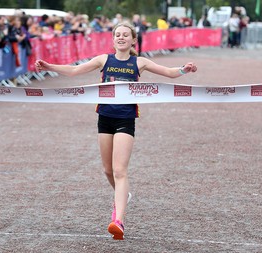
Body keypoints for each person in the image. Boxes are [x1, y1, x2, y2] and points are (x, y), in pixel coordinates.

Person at [34, 22, 197, 240]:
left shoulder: (139, 62)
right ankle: (123, 194)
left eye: (125, 35)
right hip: (105, 118)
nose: (121, 38)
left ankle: (118, 220)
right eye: (117, 35)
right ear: (113, 40)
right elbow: (74, 70)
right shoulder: (104, 60)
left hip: (126, 120)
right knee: (108, 170)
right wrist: (50, 67)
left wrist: (183, 70)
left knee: (120, 170)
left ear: (133, 41)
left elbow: (168, 72)